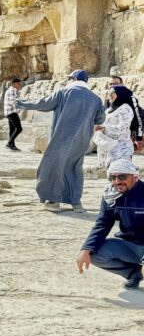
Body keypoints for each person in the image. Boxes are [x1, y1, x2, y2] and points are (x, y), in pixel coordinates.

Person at [16, 70, 106, 212]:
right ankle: (76, 203)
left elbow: (44, 104)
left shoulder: (64, 92)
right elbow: (100, 119)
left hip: (61, 138)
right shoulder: (95, 98)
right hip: (82, 140)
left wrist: (21, 103)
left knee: (53, 167)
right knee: (75, 168)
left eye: (70, 78)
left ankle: (53, 202)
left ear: (74, 79)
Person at [77, 159, 144, 289]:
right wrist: (85, 249)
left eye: (122, 176)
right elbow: (103, 224)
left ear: (134, 176)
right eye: (113, 177)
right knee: (94, 254)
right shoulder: (110, 196)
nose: (117, 181)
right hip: (129, 245)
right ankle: (134, 274)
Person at [95, 86, 136, 170]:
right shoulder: (110, 109)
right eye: (109, 93)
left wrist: (103, 128)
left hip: (121, 149)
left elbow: (123, 127)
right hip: (108, 148)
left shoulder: (125, 109)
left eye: (112, 93)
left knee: (120, 177)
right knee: (111, 177)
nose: (110, 95)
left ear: (120, 94)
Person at [109, 75, 144, 146]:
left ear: (122, 84)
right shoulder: (109, 99)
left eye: (115, 83)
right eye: (111, 84)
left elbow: (138, 118)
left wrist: (139, 137)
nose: (113, 86)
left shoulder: (130, 98)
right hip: (113, 134)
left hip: (128, 135)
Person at [4, 77, 24, 151]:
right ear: (14, 84)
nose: (20, 85)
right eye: (19, 84)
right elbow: (13, 102)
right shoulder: (12, 90)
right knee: (19, 128)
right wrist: (18, 110)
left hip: (8, 112)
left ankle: (12, 145)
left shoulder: (9, 90)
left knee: (12, 130)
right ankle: (9, 143)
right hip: (12, 112)